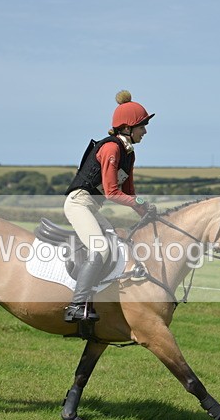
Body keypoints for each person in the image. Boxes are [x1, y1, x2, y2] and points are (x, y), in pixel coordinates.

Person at [63, 90, 155, 323]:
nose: (145, 131)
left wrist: (146, 213)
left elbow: (130, 193)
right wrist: (140, 203)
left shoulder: (129, 154)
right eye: (142, 126)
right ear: (127, 127)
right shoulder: (111, 148)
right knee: (102, 248)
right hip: (78, 203)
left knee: (116, 243)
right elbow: (113, 192)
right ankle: (76, 306)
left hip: (91, 208)